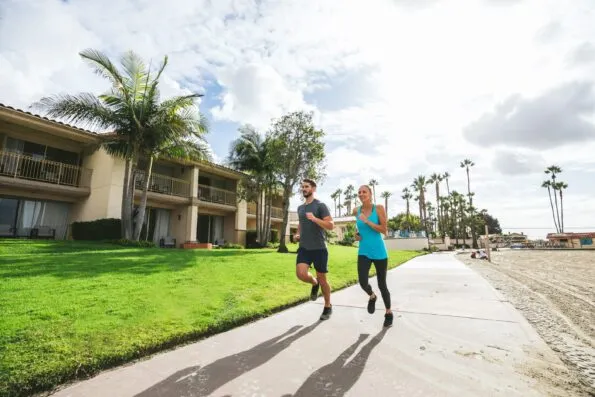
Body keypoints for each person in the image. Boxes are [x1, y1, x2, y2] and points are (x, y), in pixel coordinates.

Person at [353, 185, 393, 327]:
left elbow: (384, 230)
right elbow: (358, 229)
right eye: (359, 192)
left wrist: (368, 221)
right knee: (363, 282)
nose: (361, 194)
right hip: (363, 250)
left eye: (364, 191)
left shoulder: (379, 208)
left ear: (370, 194)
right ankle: (372, 296)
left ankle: (388, 313)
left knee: (382, 284)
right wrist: (356, 235)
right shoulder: (356, 211)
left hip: (379, 252)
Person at [294, 179, 335, 320]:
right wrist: (298, 233)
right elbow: (301, 223)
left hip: (319, 248)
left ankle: (328, 306)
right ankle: (314, 283)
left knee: (323, 279)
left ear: (313, 189)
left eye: (307, 187)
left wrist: (315, 219)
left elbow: (331, 225)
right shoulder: (300, 208)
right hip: (304, 247)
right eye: (303, 187)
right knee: (300, 274)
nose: (304, 189)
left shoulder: (320, 205)